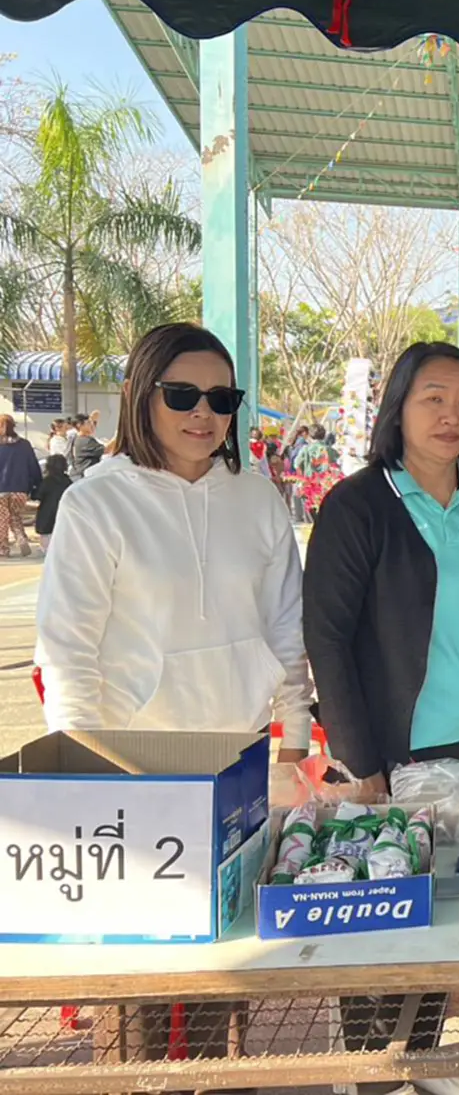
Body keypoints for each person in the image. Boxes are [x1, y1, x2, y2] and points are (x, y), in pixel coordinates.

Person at [32, 323, 311, 1067]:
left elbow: (285, 629)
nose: (204, 413)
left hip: (239, 767)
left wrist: (292, 738)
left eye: (222, 398)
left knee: (231, 966)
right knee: (137, 983)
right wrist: (83, 771)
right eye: (182, 394)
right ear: (139, 395)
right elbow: (68, 651)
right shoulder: (97, 505)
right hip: (134, 772)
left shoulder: (258, 499)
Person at [302, 341, 459, 1095]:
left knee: (443, 902)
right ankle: (369, 1069)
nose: (452, 415)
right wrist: (358, 759)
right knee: (374, 908)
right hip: (387, 746)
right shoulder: (359, 505)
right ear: (398, 409)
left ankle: (425, 1054)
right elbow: (326, 636)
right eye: (433, 398)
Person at [0, 413, 41, 558]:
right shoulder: (24, 444)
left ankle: (3, 549)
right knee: (15, 516)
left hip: (1, 490)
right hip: (20, 489)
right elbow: (33, 466)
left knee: (1, 520)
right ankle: (21, 538)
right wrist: (37, 484)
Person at [295, 422, 342, 517]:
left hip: (309, 485)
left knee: (311, 515)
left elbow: (297, 464)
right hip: (326, 485)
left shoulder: (305, 450)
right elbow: (338, 463)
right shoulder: (330, 450)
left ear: (310, 435)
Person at [33, 454, 70, 554]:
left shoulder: (47, 481)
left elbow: (37, 496)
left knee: (46, 535)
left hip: (47, 513)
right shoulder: (68, 481)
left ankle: (46, 550)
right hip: (63, 512)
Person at [67, 414, 104, 479]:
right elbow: (107, 449)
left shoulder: (76, 438)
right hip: (83, 477)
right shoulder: (85, 441)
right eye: (89, 423)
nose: (92, 425)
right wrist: (118, 436)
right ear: (79, 425)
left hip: (80, 475)